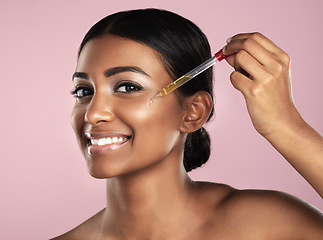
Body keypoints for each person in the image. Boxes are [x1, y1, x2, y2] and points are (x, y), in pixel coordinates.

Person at [51, 8, 323, 240]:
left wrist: (285, 126)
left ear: (193, 112)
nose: (93, 114)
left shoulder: (267, 227)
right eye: (84, 92)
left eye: (127, 87)